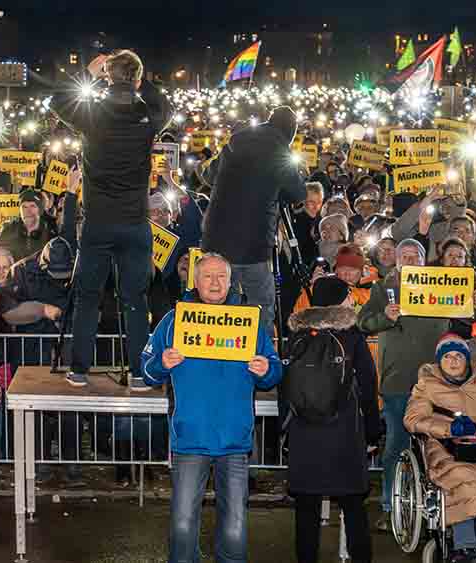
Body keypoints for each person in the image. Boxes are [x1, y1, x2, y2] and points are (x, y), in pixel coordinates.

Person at [142, 253, 282, 563]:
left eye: (221, 276)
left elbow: (274, 370)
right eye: (208, 276)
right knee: (182, 524)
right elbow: (147, 370)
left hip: (234, 440)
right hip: (190, 439)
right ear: (195, 281)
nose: (215, 283)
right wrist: (161, 363)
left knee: (235, 527)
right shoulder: (174, 320)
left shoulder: (249, 322)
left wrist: (266, 370)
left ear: (231, 282)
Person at [49, 49, 172, 389]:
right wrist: (141, 82)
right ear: (137, 78)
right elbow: (166, 107)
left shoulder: (91, 114)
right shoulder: (147, 115)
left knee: (88, 296)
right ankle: (139, 373)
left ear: (107, 76)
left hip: (98, 224)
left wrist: (89, 74)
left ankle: (78, 370)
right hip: (134, 223)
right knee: (135, 301)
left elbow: (57, 100)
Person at [357, 238, 451, 531]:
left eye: (415, 255)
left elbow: (468, 314)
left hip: (435, 382)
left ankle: (439, 509)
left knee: (437, 446)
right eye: (405, 255)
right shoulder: (381, 289)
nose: (410, 259)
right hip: (397, 381)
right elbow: (362, 322)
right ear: (396, 261)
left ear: (424, 260)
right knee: (396, 445)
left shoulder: (441, 285)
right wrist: (384, 317)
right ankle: (391, 506)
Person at [285, 277, 377, 563]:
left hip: (304, 431)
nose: (351, 300)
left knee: (306, 508)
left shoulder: (297, 335)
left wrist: (284, 432)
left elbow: (285, 386)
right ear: (338, 300)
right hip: (344, 431)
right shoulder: (351, 335)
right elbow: (368, 382)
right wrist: (373, 430)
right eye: (347, 295)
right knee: (353, 505)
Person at [404, 334, 476, 563]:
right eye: (447, 356)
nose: (453, 361)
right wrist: (448, 429)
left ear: (467, 359)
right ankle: (464, 546)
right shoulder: (427, 385)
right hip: (444, 447)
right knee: (462, 475)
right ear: (439, 361)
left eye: (459, 356)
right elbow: (413, 419)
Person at [200, 106, 307, 334]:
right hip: (253, 244)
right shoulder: (279, 150)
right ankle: (260, 350)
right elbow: (298, 193)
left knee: (219, 301)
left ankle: (218, 349)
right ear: (290, 132)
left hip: (216, 238)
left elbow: (208, 176)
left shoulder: (237, 140)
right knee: (261, 303)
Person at [0, 188, 56, 262]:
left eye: (32, 206)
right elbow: (0, 252)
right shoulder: (8, 229)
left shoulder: (51, 231)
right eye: (24, 207)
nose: (28, 211)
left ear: (40, 210)